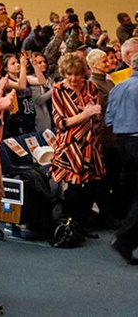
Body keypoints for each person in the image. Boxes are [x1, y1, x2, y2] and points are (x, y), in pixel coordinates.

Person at [51, 52, 106, 237]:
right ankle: (69, 226)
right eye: (69, 74)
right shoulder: (58, 90)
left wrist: (95, 114)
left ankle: (81, 225)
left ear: (84, 73)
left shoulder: (91, 87)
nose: (73, 78)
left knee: (91, 187)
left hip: (90, 144)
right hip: (70, 146)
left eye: (77, 74)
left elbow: (97, 119)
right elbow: (60, 122)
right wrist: (85, 114)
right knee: (73, 190)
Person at [106, 52, 138, 264]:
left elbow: (109, 118)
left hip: (123, 143)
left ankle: (125, 235)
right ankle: (125, 238)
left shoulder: (118, 87)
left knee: (133, 192)